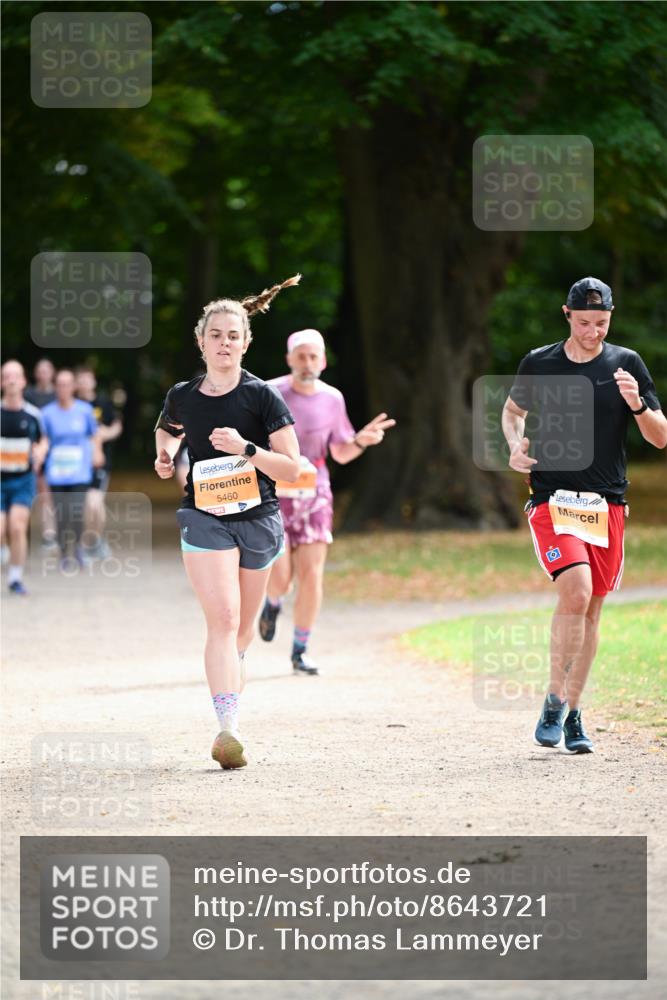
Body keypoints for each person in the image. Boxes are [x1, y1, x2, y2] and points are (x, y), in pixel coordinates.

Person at [502, 277, 666, 754]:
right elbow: (513, 412)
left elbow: (659, 437)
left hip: (607, 503)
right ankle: (554, 699)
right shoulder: (540, 362)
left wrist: (637, 403)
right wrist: (515, 447)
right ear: (567, 314)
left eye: (602, 323)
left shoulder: (626, 364)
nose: (594, 331)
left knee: (592, 610)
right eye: (585, 322)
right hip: (554, 499)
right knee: (576, 591)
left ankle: (574, 712)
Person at [153, 275, 301, 770]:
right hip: (204, 517)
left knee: (241, 637)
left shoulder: (262, 398)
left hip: (258, 519)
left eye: (233, 335)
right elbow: (168, 428)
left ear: (246, 341)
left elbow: (292, 468)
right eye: (215, 334)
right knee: (224, 621)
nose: (224, 342)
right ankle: (227, 730)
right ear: (200, 341)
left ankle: (231, 711)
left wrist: (246, 449)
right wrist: (165, 454)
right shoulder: (184, 395)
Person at [258, 329, 396, 675]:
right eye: (300, 356)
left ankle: (300, 650)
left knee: (312, 575)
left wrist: (362, 441)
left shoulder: (333, 399)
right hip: (275, 493)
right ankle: (273, 602)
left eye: (313, 357)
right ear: (289, 359)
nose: (307, 363)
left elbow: (341, 452)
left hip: (316, 494)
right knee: (281, 577)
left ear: (322, 360)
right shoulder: (270, 393)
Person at [41, 369, 104, 568]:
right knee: (61, 514)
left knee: (77, 511)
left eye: (67, 384)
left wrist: (97, 452)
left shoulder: (84, 410)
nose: (63, 389)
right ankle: (62, 553)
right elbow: (44, 439)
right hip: (57, 472)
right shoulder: (47, 413)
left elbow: (94, 435)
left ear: (73, 387)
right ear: (55, 387)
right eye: (59, 384)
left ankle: (77, 548)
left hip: (79, 471)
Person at [0, 360, 48, 594]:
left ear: (23, 381)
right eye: (6, 376)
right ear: (1, 382)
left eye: (15, 376)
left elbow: (43, 440)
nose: (11, 380)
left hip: (23, 480)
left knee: (17, 527)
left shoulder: (33, 414)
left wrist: (40, 451)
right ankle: (3, 550)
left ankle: (15, 577)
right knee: (0, 529)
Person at [75, 365, 123, 559]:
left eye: (88, 378)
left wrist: (103, 435)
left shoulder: (103, 402)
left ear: (93, 381)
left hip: (99, 462)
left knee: (94, 502)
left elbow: (116, 426)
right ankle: (90, 543)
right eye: (81, 379)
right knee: (85, 504)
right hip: (76, 463)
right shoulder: (72, 404)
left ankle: (92, 542)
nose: (85, 382)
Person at [24, 357, 57, 548]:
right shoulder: (28, 395)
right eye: (40, 370)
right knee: (37, 490)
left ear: (52, 373)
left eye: (47, 370)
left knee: (51, 492)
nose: (43, 374)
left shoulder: (59, 395)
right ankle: (41, 531)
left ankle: (52, 532)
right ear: (36, 374)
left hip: (56, 450)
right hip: (31, 448)